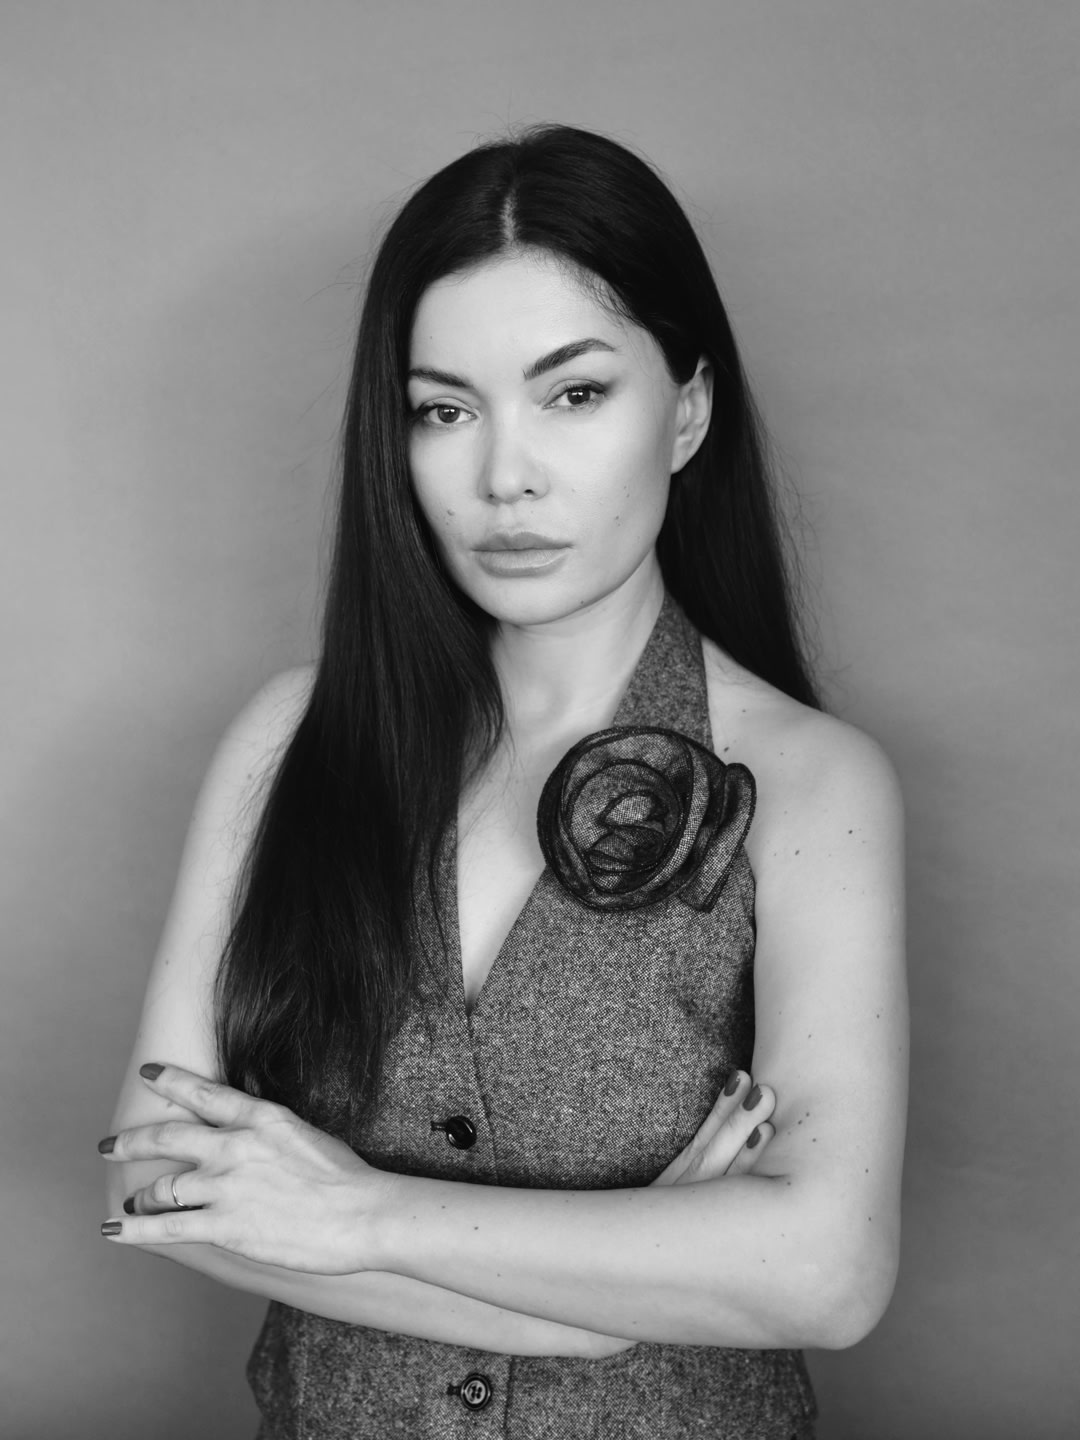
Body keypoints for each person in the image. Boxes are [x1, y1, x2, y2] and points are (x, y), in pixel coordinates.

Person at [100, 124, 907, 1438]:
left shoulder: (813, 784)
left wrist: (357, 1214)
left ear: (687, 411)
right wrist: (589, 1309)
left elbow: (828, 1271)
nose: (504, 476)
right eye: (444, 410)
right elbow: (153, 1182)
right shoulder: (289, 738)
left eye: (573, 394)